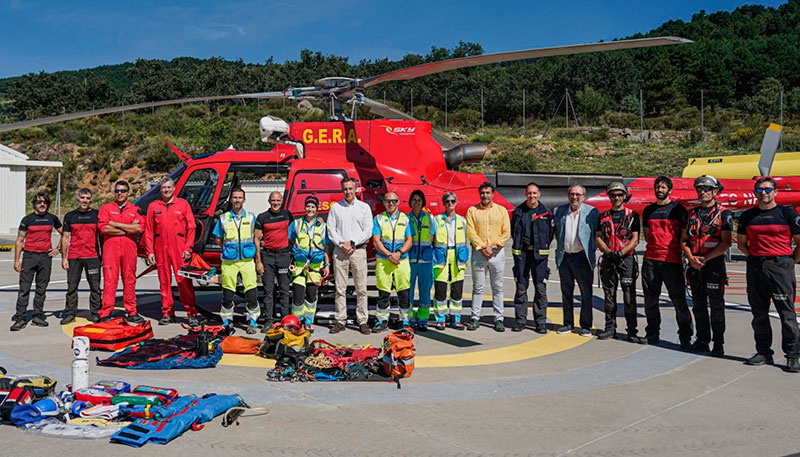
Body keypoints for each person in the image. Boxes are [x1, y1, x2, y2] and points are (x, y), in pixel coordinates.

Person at [737, 176, 800, 372]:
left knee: (787, 313)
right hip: (756, 267)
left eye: (767, 189)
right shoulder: (747, 216)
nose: (763, 193)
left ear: (775, 192)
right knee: (759, 313)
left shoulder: (787, 213)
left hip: (780, 266)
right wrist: (757, 257)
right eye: (759, 190)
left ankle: (792, 355)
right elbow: (741, 243)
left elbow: (799, 242)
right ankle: (763, 352)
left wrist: (789, 261)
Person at [680, 175, 732, 357]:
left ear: (715, 191)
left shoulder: (723, 213)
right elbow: (684, 240)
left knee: (717, 306)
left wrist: (706, 259)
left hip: (713, 265)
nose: (702, 192)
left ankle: (718, 343)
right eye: (699, 189)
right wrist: (690, 257)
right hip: (694, 266)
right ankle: (702, 340)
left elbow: (726, 243)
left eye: (707, 189)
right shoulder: (691, 214)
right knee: (698, 305)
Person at [641, 176, 693, 349]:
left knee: (679, 301)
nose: (660, 190)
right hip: (651, 260)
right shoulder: (648, 210)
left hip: (672, 261)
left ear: (670, 190)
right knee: (650, 300)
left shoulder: (679, 210)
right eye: (657, 187)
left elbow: (684, 236)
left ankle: (685, 337)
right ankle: (652, 333)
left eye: (663, 187)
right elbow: (648, 236)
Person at [144, 177, 199, 327]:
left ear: (174, 188)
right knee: (164, 282)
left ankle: (191, 313)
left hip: (179, 247)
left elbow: (191, 227)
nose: (166, 190)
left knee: (184, 281)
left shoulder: (183, 204)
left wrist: (188, 247)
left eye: (169, 187)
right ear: (160, 190)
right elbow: (148, 230)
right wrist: (150, 251)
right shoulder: (153, 206)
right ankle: (167, 313)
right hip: (160, 247)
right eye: (163, 188)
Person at [326, 177, 373, 335]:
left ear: (356, 189)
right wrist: (342, 244)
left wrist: (353, 242)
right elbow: (331, 229)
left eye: (350, 189)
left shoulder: (364, 208)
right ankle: (340, 320)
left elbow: (368, 230)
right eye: (345, 189)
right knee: (340, 288)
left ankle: (362, 320)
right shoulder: (336, 208)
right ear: (342, 190)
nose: (348, 191)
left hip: (358, 250)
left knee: (361, 288)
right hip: (340, 252)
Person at [595, 182, 641, 342]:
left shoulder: (632, 215)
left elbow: (635, 239)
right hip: (608, 259)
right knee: (609, 296)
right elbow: (598, 237)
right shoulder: (602, 216)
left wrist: (621, 253)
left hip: (626, 259)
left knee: (629, 297)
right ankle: (610, 328)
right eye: (613, 195)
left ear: (624, 196)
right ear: (609, 197)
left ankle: (632, 331)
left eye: (619, 195)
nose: (616, 198)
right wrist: (608, 252)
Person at [10, 192, 63, 331]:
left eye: (45, 202)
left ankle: (37, 316)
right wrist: (16, 260)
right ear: (34, 204)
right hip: (29, 257)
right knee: (24, 289)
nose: (42, 204)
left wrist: (58, 249)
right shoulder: (27, 219)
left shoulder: (52, 218)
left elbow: (66, 234)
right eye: (39, 202)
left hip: (45, 258)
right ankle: (20, 318)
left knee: (41, 289)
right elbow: (19, 240)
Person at [213, 188, 260, 334]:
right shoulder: (223, 218)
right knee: (228, 293)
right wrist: (227, 249)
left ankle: (252, 320)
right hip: (229, 261)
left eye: (240, 197)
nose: (237, 200)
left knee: (251, 292)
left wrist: (257, 259)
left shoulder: (251, 218)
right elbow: (218, 238)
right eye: (235, 198)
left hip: (247, 260)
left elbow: (257, 238)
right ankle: (227, 320)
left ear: (244, 200)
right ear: (231, 200)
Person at [554, 184, 599, 337]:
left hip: (582, 257)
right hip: (565, 257)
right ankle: (567, 323)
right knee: (566, 292)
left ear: (583, 197)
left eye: (578, 195)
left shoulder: (592, 212)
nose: (575, 197)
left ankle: (585, 325)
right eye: (572, 194)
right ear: (568, 195)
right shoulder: (559, 211)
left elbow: (595, 234)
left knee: (586, 293)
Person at [466, 182, 511, 332]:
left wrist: (494, 246)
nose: (485, 195)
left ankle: (499, 318)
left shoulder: (502, 211)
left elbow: (506, 232)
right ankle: (475, 317)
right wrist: (482, 247)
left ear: (493, 194)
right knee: (478, 287)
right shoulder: (472, 211)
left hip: (497, 254)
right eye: (483, 193)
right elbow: (471, 232)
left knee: (497, 287)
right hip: (479, 254)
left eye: (488, 193)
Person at [98, 180, 143, 323]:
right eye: (117, 191)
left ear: (128, 193)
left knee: (130, 280)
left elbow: (138, 229)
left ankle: (131, 311)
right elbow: (104, 228)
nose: (119, 193)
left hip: (129, 250)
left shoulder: (135, 209)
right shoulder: (106, 208)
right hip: (110, 250)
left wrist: (115, 224)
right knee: (110, 281)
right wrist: (127, 229)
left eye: (123, 191)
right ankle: (106, 311)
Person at [510, 182, 553, 334]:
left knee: (540, 289)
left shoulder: (546, 214)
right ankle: (520, 321)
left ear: (539, 194)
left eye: (534, 193)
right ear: (525, 194)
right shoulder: (518, 211)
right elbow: (513, 231)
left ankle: (540, 322)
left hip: (539, 258)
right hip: (522, 255)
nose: (532, 196)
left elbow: (550, 234)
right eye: (529, 193)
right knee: (521, 288)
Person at [371, 191, 413, 333]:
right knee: (383, 292)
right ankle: (382, 320)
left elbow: (409, 239)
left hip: (401, 261)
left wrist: (399, 253)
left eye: (394, 201)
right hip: (384, 260)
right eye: (388, 201)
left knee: (404, 292)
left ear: (398, 202)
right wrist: (389, 254)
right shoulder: (378, 219)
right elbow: (376, 240)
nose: (391, 204)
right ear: (383, 202)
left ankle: (405, 320)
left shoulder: (405, 218)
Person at [288, 196, 330, 333]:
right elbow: (289, 242)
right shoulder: (296, 224)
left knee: (312, 297)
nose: (310, 209)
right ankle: (296, 321)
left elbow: (326, 247)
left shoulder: (322, 227)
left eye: (313, 207)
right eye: (308, 206)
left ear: (317, 209)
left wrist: (327, 264)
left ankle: (308, 322)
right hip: (300, 267)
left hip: (315, 268)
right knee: (298, 296)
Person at [60, 188, 101, 325]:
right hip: (74, 257)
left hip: (92, 256)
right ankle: (70, 313)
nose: (85, 200)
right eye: (83, 197)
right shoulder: (70, 216)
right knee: (72, 287)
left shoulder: (97, 214)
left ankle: (95, 312)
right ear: (78, 199)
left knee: (95, 286)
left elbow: (103, 236)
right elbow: (65, 238)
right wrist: (64, 258)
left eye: (88, 198)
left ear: (91, 200)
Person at [254, 191, 293, 329]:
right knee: (268, 290)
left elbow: (294, 232)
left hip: (283, 256)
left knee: (284, 290)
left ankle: (285, 319)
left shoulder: (287, 215)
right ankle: (269, 320)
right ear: (269, 201)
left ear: (282, 201)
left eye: (278, 200)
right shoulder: (262, 217)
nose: (275, 203)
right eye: (273, 200)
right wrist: (258, 261)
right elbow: (257, 240)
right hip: (268, 257)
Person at [432, 192, 469, 330]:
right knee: (440, 289)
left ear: (456, 202)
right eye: (447, 201)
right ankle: (441, 318)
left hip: (457, 257)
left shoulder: (462, 221)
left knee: (457, 289)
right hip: (441, 256)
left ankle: (455, 318)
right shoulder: (436, 220)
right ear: (443, 203)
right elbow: (431, 238)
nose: (450, 203)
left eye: (452, 201)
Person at [407, 190, 435, 331]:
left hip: (426, 261)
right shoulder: (406, 218)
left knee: (425, 291)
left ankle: (423, 319)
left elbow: (433, 236)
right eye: (414, 200)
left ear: (423, 202)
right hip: (410, 260)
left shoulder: (430, 218)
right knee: (409, 290)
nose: (416, 202)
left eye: (419, 200)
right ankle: (410, 318)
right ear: (410, 202)